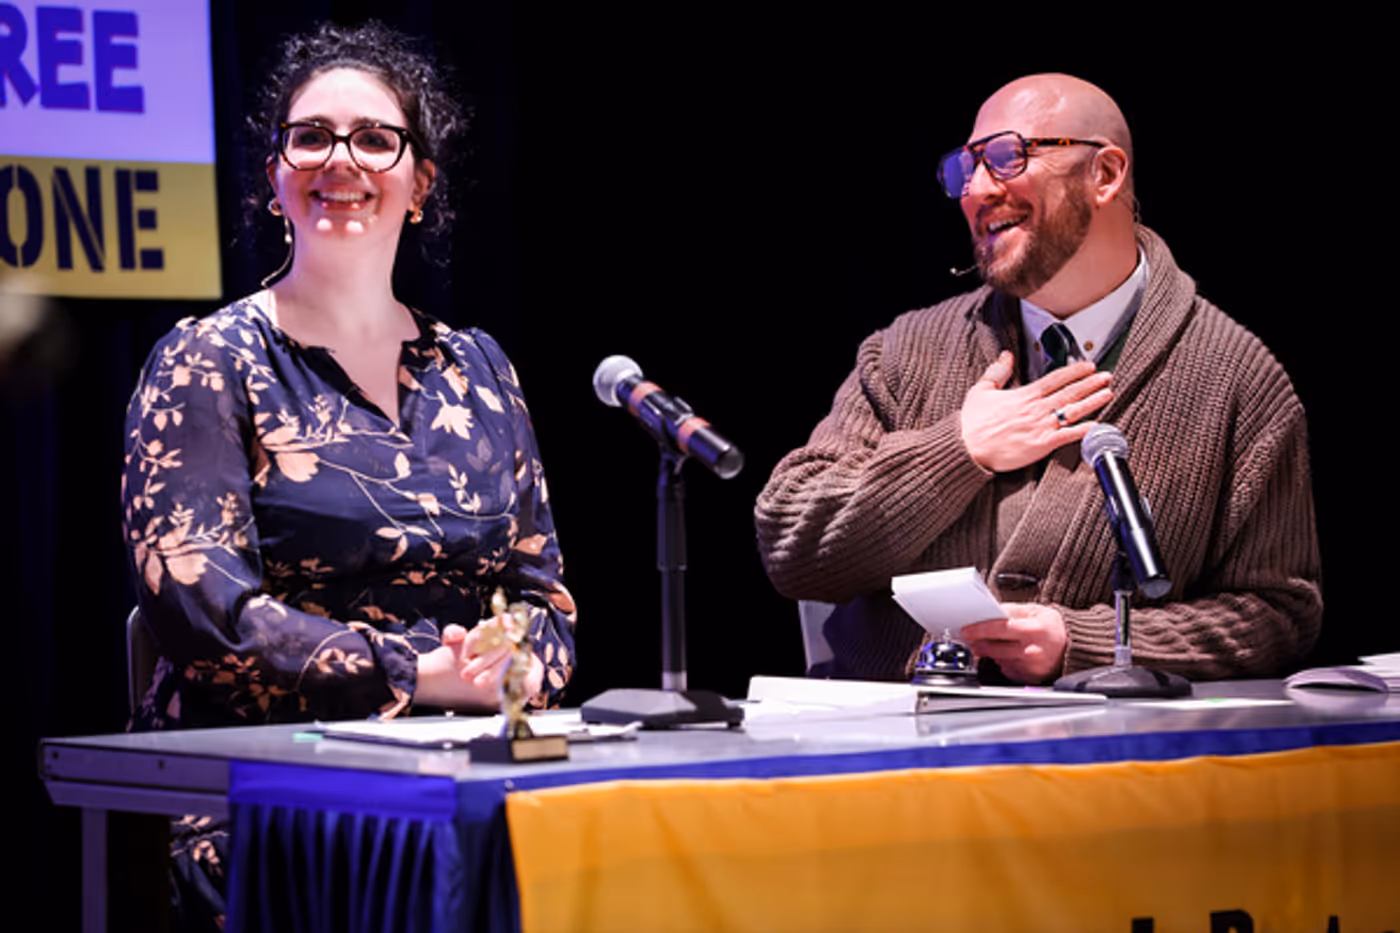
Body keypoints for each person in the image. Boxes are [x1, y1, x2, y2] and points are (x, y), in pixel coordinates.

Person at [754, 74, 1320, 685]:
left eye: (1005, 157)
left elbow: (1275, 612)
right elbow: (792, 547)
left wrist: (1085, 643)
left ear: (1104, 175)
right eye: (964, 169)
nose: (974, 190)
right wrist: (958, 451)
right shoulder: (903, 352)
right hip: (893, 752)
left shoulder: (1236, 378)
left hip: (1104, 761)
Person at [122, 22, 576, 729]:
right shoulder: (208, 360)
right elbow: (206, 616)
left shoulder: (480, 370)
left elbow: (543, 601)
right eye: (311, 137)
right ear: (274, 178)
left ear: (420, 183)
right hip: (265, 773)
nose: (340, 159)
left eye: (373, 138)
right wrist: (418, 675)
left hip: (471, 749)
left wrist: (508, 660)